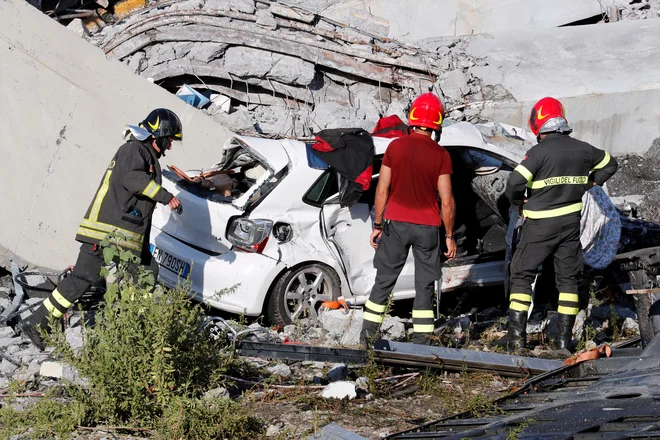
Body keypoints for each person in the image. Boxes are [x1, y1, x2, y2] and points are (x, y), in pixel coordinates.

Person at [18, 108, 183, 350]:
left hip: (120, 235)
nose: (169, 147)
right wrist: (166, 196)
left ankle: (136, 330)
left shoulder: (144, 153)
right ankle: (39, 322)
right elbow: (133, 180)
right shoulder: (134, 150)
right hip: (107, 232)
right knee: (86, 278)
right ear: (157, 135)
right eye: (169, 140)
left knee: (141, 272)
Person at [495, 97, 618, 352]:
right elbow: (610, 164)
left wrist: (520, 203)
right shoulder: (583, 149)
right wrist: (589, 184)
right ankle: (563, 341)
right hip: (569, 226)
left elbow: (514, 184)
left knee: (521, 274)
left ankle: (516, 339)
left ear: (538, 124)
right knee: (568, 279)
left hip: (539, 226)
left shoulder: (538, 152)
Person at [359, 92, 456, 347]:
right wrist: (449, 236)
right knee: (424, 284)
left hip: (396, 225)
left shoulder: (395, 147)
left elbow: (382, 190)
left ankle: (367, 339)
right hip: (428, 228)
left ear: (412, 118)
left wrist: (378, 225)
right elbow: (446, 201)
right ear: (437, 122)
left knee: (384, 280)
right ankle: (422, 341)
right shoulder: (441, 155)